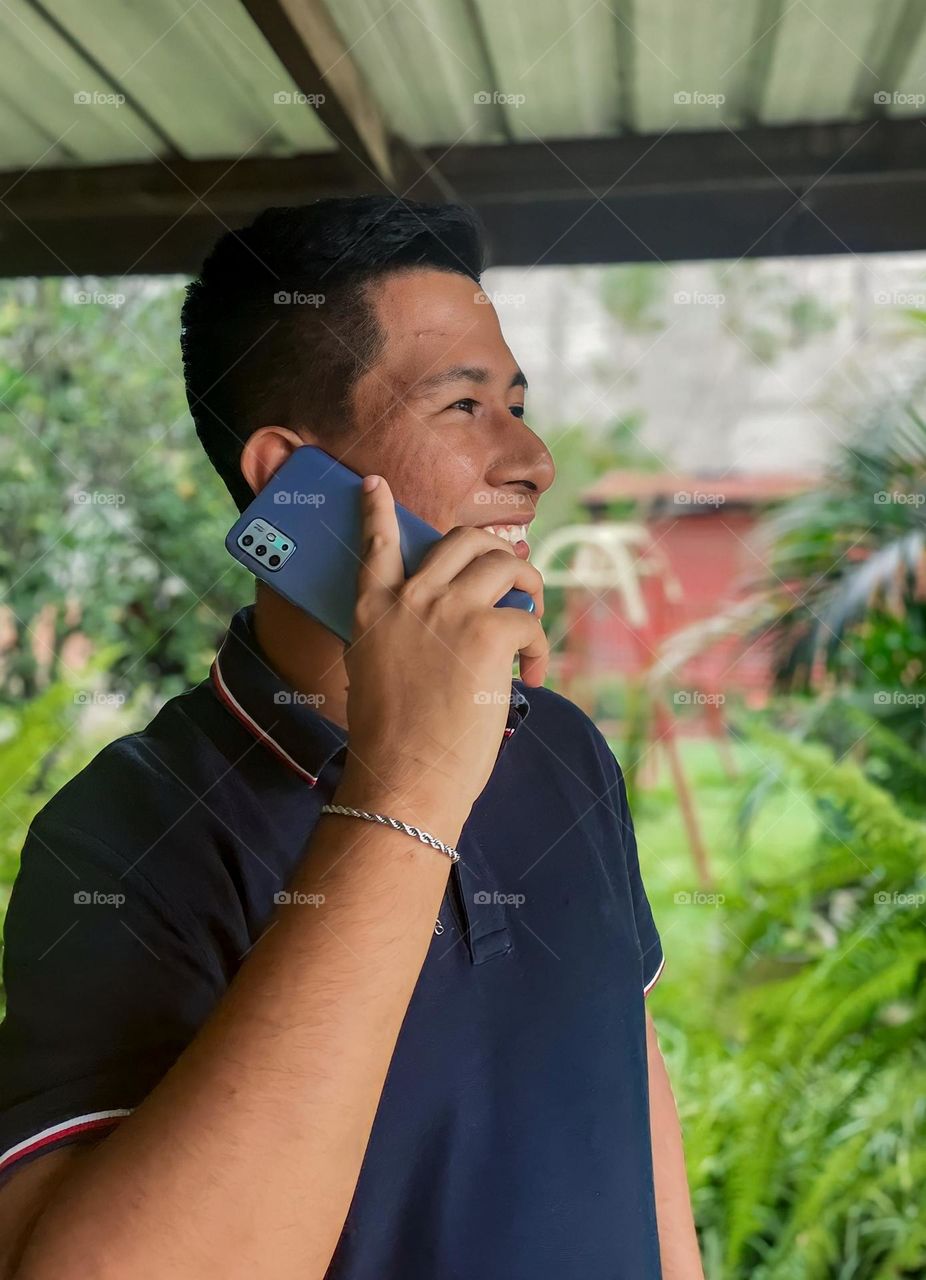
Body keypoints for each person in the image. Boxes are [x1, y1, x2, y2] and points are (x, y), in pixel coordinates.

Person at [0, 197, 704, 1279]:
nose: (532, 459)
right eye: (463, 405)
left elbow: (628, 1081)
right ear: (293, 478)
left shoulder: (562, 747)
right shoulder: (119, 836)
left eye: (516, 402)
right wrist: (408, 782)